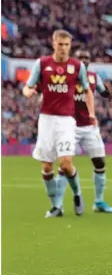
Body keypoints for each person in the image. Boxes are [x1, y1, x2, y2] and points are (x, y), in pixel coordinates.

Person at [22, 30, 96, 218]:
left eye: (66, 45)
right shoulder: (42, 63)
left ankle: (77, 194)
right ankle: (56, 206)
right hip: (46, 120)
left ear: (70, 46)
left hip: (66, 121)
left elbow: (87, 92)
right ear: (53, 43)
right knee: (47, 167)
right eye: (60, 44)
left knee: (65, 164)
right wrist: (27, 92)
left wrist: (92, 113)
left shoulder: (77, 66)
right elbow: (28, 86)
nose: (63, 48)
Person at [55, 49, 112, 213]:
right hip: (70, 126)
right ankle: (58, 205)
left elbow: (105, 92)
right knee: (64, 165)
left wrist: (109, 91)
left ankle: (98, 202)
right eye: (80, 57)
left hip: (89, 127)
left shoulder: (93, 77)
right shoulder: (64, 75)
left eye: (87, 57)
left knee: (100, 163)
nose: (84, 60)